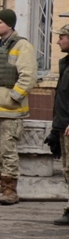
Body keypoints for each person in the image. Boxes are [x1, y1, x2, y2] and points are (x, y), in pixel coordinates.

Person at [0, 8, 38, 206]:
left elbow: (28, 76)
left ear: (9, 25)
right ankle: (3, 183)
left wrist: (14, 97)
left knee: (8, 148)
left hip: (10, 110)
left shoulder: (22, 46)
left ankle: (11, 189)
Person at [51, 25, 69, 226]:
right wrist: (55, 129)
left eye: (62, 37)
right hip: (64, 126)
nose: (58, 41)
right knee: (67, 169)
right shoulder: (65, 64)